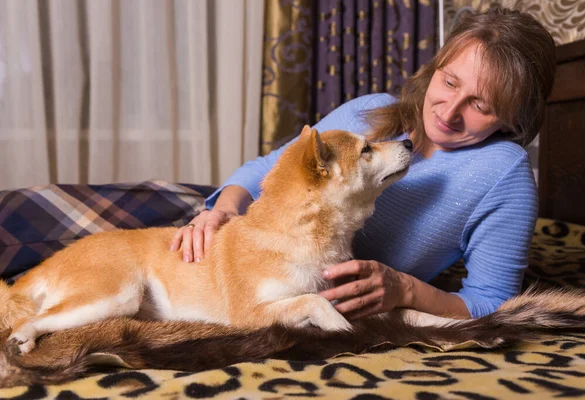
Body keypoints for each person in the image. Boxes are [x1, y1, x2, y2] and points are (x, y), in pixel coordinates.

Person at [169, 6, 556, 320]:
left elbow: (492, 303)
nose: (449, 112)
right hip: (251, 246)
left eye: (480, 105)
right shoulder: (366, 113)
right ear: (434, 67)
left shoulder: (504, 175)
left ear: (512, 118)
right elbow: (266, 169)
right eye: (450, 82)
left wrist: (405, 289)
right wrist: (219, 210)